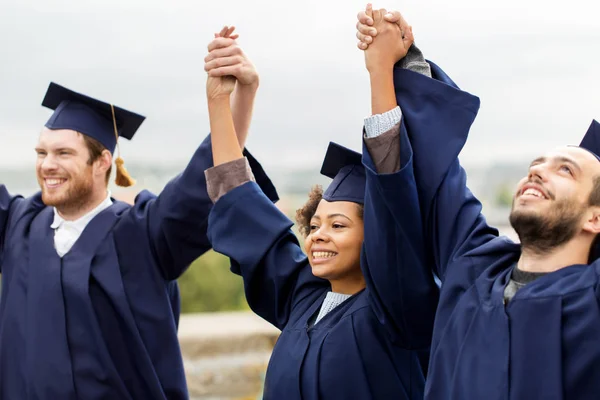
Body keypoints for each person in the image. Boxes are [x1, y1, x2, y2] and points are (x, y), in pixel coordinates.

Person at [0, 26, 277, 399]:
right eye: (41, 153)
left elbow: (210, 177)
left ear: (103, 162)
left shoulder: (142, 235)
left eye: (63, 154)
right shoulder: (18, 225)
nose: (47, 164)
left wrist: (241, 96)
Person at [356, 6, 600, 399]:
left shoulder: (592, 295)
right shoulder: (473, 270)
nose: (537, 171)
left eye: (565, 170)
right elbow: (435, 171)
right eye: (536, 164)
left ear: (595, 218)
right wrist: (394, 66)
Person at [202, 20, 439, 399]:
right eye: (314, 226)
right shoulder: (304, 297)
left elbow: (394, 193)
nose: (319, 235)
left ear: (375, 235)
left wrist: (380, 71)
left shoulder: (398, 311)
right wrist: (219, 99)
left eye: (339, 225)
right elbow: (240, 204)